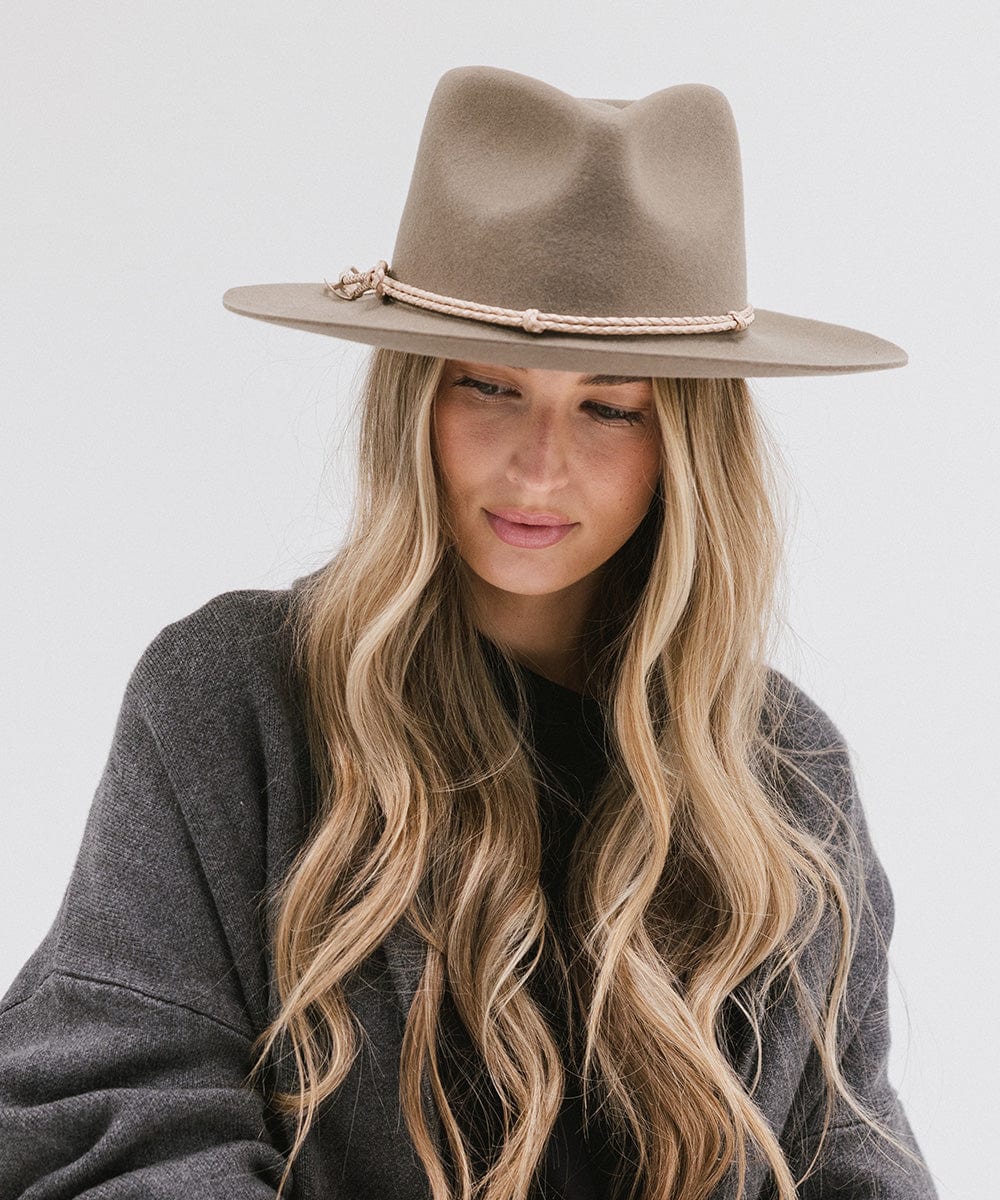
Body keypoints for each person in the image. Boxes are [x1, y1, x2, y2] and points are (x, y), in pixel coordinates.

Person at [0, 65, 938, 1200]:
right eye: (488, 388)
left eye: (609, 408)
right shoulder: (234, 700)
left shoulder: (785, 778)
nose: (537, 468)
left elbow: (852, 1159)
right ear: (412, 397)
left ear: (687, 445)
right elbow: (116, 1111)